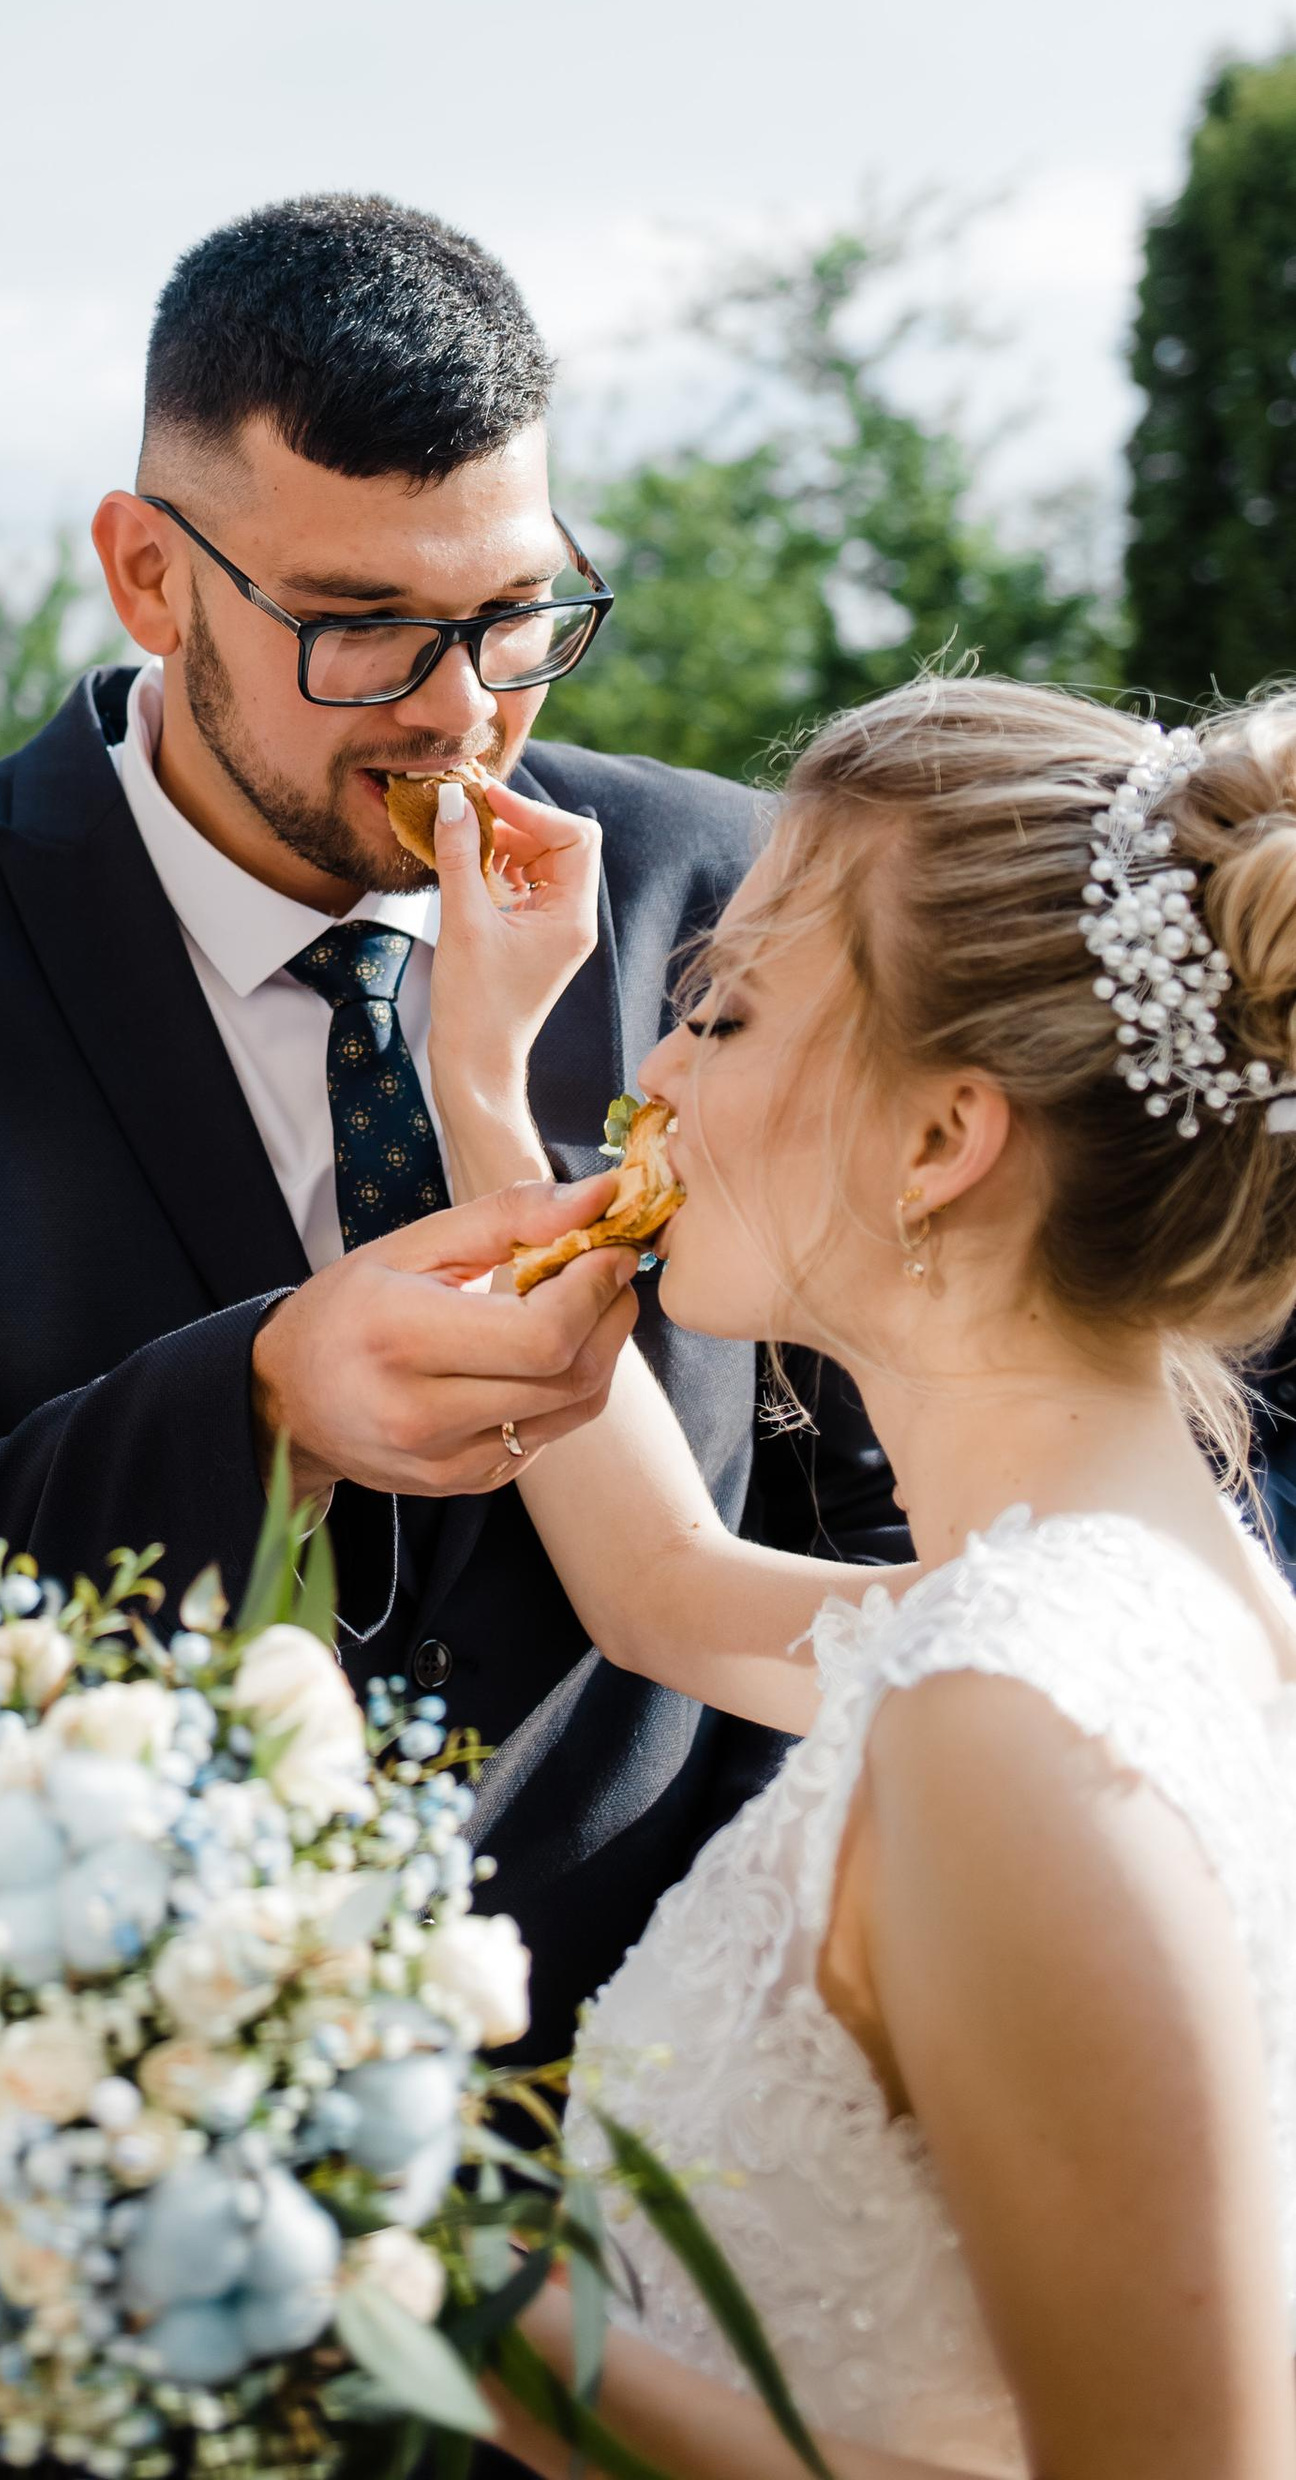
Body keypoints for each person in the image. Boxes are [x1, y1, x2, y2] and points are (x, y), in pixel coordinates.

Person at [0, 195, 902, 2057]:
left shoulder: (722, 887)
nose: (460, 714)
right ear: (150, 575)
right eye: (361, 629)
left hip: (715, 2036)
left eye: (514, 618)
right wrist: (257, 1405)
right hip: (159, 2073)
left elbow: (879, 1497)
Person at [443, 678, 1296, 2480]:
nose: (656, 1079)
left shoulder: (1013, 1720)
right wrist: (479, 1088)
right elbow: (665, 1586)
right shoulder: (1170, 1596)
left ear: (940, 1143)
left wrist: (443, 2302)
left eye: (725, 1013)